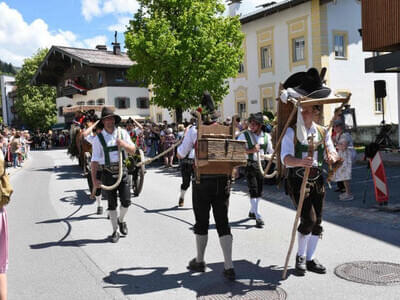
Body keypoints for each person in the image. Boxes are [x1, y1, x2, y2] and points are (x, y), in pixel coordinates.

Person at [177, 91, 236, 281]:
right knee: (222, 221)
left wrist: (187, 137)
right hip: (222, 181)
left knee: (201, 221)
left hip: (203, 182)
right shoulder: (227, 129)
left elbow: (180, 154)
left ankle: (200, 260)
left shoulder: (195, 131)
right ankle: (228, 266)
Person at [281, 105, 338, 275]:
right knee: (309, 219)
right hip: (297, 181)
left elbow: (331, 151)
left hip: (317, 180)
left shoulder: (323, 131)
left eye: (306, 111)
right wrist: (300, 162)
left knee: (318, 221)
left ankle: (310, 259)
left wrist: (332, 157)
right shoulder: (291, 132)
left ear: (315, 113)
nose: (302, 114)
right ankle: (300, 256)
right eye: (300, 111)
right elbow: (285, 158)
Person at [91, 107, 136, 243]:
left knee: (127, 201)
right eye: (106, 119)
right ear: (103, 122)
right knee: (111, 204)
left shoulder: (122, 133)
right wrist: (94, 180)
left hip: (122, 172)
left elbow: (133, 150)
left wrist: (124, 145)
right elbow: (94, 161)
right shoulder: (98, 139)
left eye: (111, 118)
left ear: (114, 120)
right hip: (107, 173)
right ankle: (115, 230)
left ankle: (121, 220)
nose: (109, 121)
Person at [237, 112, 273, 228]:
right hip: (250, 165)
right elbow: (237, 150)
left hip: (261, 165)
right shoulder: (244, 135)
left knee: (260, 191)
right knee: (253, 189)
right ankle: (258, 216)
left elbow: (271, 151)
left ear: (259, 125)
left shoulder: (266, 137)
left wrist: (273, 157)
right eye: (250, 123)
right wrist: (251, 150)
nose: (251, 126)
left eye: (254, 124)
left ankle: (253, 210)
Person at [83, 118, 104, 214]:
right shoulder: (95, 139)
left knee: (111, 188)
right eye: (98, 129)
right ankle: (99, 205)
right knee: (98, 186)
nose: (99, 131)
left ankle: (109, 208)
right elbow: (85, 134)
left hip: (109, 165)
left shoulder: (109, 137)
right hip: (98, 165)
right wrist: (94, 124)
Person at [333, 120, 354, 201]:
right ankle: (347, 192)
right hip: (342, 157)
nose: (334, 128)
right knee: (343, 175)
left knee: (345, 175)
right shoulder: (339, 135)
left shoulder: (345, 135)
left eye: (335, 126)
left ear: (339, 127)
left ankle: (348, 194)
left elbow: (343, 147)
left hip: (346, 157)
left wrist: (335, 144)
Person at [177, 124, 194, 207]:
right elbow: (181, 151)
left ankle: (198, 202)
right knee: (186, 183)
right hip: (186, 163)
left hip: (197, 163)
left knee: (198, 184)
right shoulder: (185, 137)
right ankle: (182, 197)